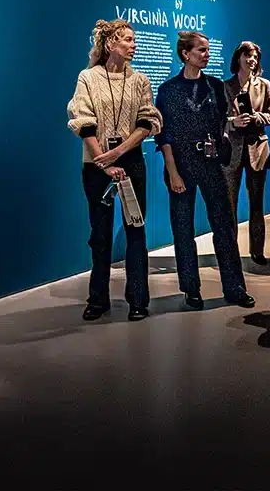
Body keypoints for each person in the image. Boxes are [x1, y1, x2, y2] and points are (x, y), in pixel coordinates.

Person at [67, 20, 162, 321]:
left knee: (136, 229)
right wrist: (102, 160)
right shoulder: (88, 78)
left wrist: (119, 153)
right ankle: (98, 299)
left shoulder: (140, 80)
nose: (134, 45)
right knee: (100, 234)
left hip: (131, 161)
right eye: (128, 40)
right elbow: (82, 119)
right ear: (110, 44)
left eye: (134, 40)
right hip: (96, 166)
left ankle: (138, 299)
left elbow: (147, 121)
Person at [155, 31, 256, 310]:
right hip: (181, 165)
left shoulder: (214, 86)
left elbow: (222, 120)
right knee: (183, 229)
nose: (206, 54)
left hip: (212, 163)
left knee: (224, 227)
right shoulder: (168, 90)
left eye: (208, 50)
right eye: (201, 50)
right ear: (186, 54)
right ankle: (191, 289)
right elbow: (164, 137)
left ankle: (235, 288)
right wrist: (173, 173)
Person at [223, 41, 270, 266]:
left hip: (258, 149)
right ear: (238, 59)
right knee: (229, 205)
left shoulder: (264, 85)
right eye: (247, 56)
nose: (251, 60)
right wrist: (233, 122)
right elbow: (219, 119)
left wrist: (255, 117)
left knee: (257, 204)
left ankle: (257, 250)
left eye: (254, 57)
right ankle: (229, 250)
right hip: (232, 150)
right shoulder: (226, 86)